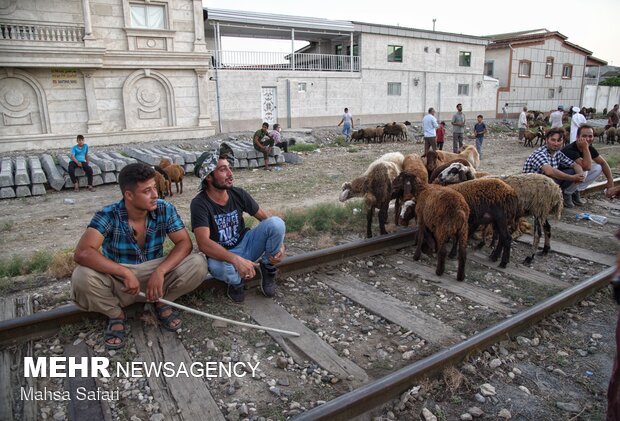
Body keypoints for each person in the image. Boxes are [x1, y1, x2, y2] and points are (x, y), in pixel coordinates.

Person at [71, 163, 207, 350]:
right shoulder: (108, 214)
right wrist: (124, 273)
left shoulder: (164, 209)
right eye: (147, 191)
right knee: (81, 276)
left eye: (154, 188)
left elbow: (185, 243)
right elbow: (83, 252)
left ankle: (161, 301)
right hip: (120, 279)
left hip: (154, 274)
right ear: (129, 195)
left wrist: (160, 271)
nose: (155, 195)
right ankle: (116, 315)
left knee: (198, 263)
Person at [191, 148, 286, 303]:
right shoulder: (199, 204)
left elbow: (266, 219)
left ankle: (268, 268)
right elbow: (203, 243)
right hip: (223, 255)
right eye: (223, 169)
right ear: (208, 176)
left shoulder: (238, 193)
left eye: (229, 168)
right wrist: (235, 260)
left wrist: (281, 245)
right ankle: (236, 283)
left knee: (276, 223)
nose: (230, 173)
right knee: (217, 267)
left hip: (247, 244)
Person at [522, 128, 585, 208]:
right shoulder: (540, 154)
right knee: (557, 174)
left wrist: (580, 175)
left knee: (573, 171)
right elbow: (550, 171)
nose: (556, 143)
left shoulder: (557, 153)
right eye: (553, 140)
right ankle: (543, 202)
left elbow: (575, 165)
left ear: (563, 141)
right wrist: (573, 178)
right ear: (546, 140)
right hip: (532, 188)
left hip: (545, 184)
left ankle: (560, 196)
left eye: (559, 141)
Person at [560, 124, 615, 206]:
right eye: (584, 136)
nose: (587, 139)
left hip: (574, 177)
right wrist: (585, 148)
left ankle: (576, 191)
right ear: (578, 137)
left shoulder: (589, 147)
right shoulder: (570, 149)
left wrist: (610, 180)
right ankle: (567, 193)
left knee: (599, 167)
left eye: (590, 136)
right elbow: (587, 167)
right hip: (562, 179)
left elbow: (603, 163)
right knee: (584, 169)